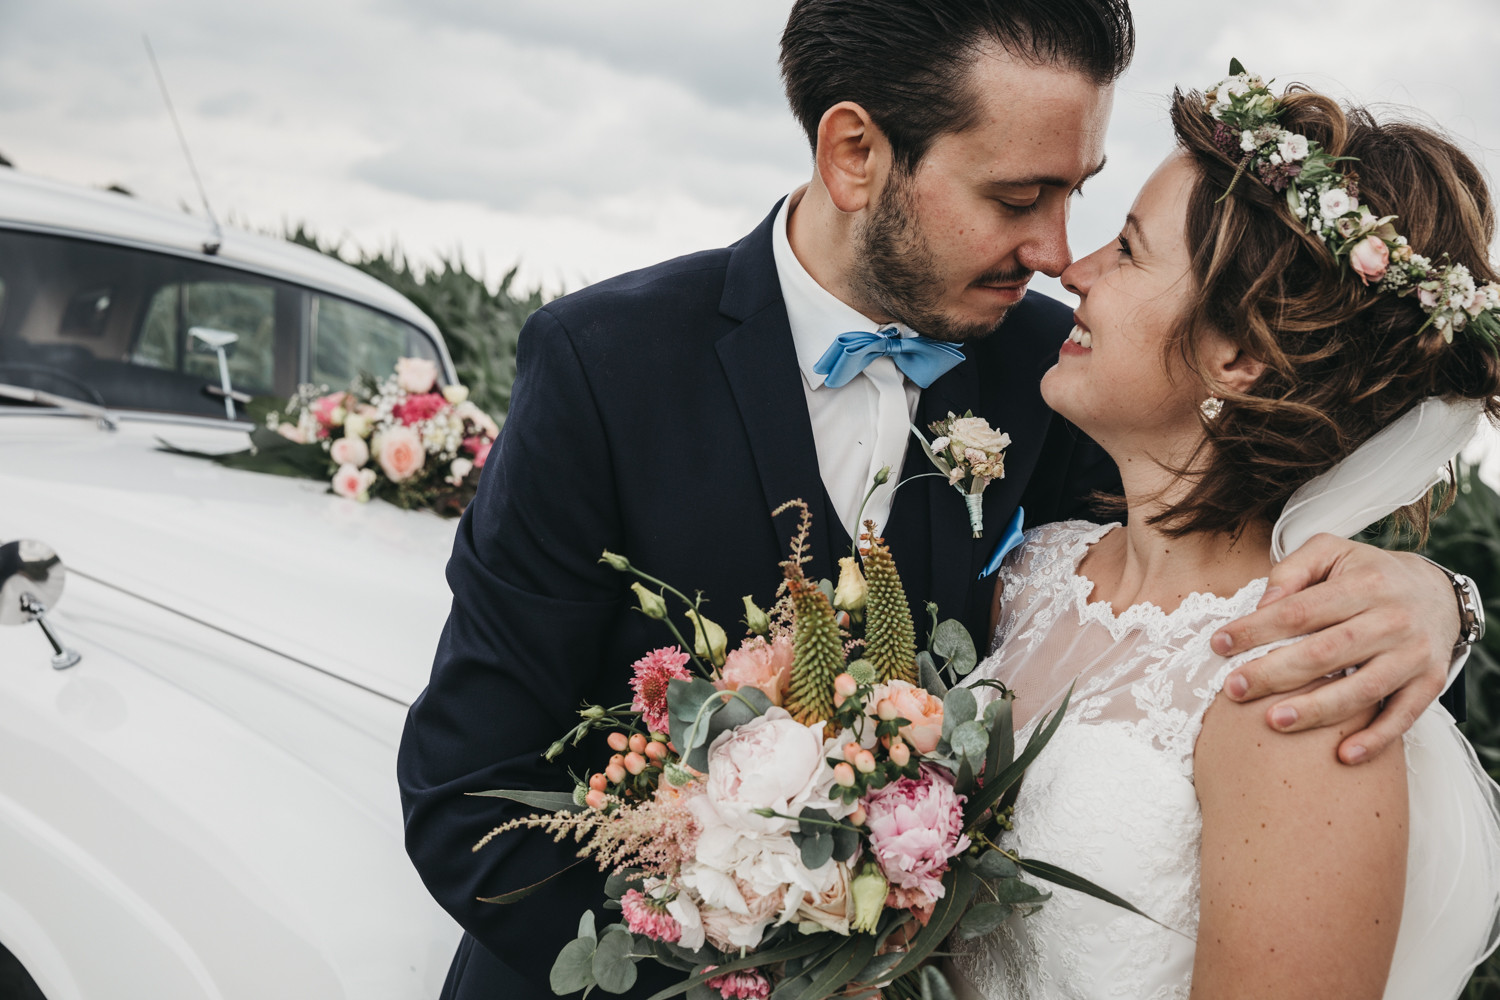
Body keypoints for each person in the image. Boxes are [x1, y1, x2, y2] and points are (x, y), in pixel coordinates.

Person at [396, 3, 1472, 996]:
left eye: (1080, 195)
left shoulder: (1064, 375)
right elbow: (466, 793)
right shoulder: (605, 366)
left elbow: (1231, 550)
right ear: (856, 153)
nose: (1058, 255)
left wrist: (1435, 598)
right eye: (1018, 197)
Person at [950, 71, 1500, 999]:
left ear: (1239, 356)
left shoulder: (1300, 681)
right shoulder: (1029, 570)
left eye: (1127, 250)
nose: (1072, 270)